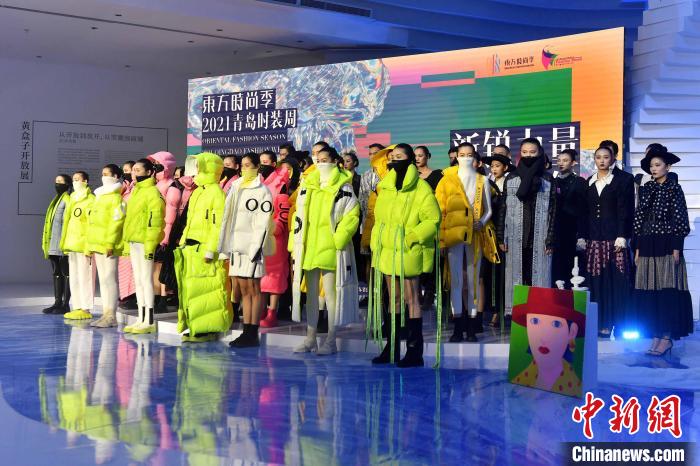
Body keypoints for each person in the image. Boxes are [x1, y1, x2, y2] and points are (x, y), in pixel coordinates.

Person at [370, 143, 440, 367]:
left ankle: (414, 351)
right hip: (388, 252)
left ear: (410, 160)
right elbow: (379, 220)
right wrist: (377, 242)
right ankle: (391, 348)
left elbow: (432, 220)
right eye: (392, 157)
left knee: (412, 300)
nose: (393, 161)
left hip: (409, 251)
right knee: (394, 299)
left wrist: (412, 237)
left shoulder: (421, 189)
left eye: (399, 157)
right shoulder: (385, 188)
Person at [290, 146, 360, 355]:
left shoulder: (343, 187)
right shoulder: (308, 185)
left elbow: (352, 215)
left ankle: (331, 340)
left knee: (331, 296)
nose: (320, 163)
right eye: (317, 159)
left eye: (324, 159)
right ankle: (310, 338)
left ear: (335, 161)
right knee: (311, 296)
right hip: (310, 247)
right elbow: (298, 216)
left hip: (331, 249)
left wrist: (338, 240)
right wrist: (295, 243)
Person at [436, 142, 498, 343]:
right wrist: (442, 241)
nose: (465, 158)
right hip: (454, 235)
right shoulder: (446, 181)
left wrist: (482, 222)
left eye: (469, 154)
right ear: (456, 156)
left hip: (475, 234)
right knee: (456, 281)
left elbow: (488, 210)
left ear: (475, 157)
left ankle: (472, 326)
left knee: (472, 281)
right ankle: (458, 325)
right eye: (461, 154)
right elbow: (440, 211)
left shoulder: (482, 180)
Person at [634, 149, 692, 356]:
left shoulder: (674, 188)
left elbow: (680, 219)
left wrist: (677, 247)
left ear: (668, 167)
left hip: (667, 243)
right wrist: (637, 247)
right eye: (651, 165)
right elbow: (639, 218)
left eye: (658, 165)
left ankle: (666, 338)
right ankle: (656, 335)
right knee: (650, 291)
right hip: (647, 244)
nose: (654, 168)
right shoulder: (647, 188)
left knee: (667, 291)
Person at [218, 152, 274, 348]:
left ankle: (252, 332)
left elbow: (263, 223)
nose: (244, 169)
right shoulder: (235, 186)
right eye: (242, 165)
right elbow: (227, 219)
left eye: (248, 165)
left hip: (252, 247)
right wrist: (225, 246)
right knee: (242, 289)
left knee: (253, 289)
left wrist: (256, 247)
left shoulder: (263, 191)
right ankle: (246, 330)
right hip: (236, 247)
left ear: (257, 167)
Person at [496, 138, 557, 317]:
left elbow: (553, 211)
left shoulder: (547, 179)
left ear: (540, 153)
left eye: (532, 152)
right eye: (525, 152)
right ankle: (519, 316)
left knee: (538, 275)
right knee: (517, 275)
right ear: (520, 154)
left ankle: (539, 315)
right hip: (516, 235)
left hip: (540, 237)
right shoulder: (511, 178)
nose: (528, 155)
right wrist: (501, 236)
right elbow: (503, 209)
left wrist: (550, 238)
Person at [174, 152, 231, 342]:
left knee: (209, 291)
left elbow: (218, 225)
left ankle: (207, 329)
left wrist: (211, 249)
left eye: (199, 166)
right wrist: (183, 241)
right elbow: (190, 220)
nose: (195, 170)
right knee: (193, 291)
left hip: (205, 248)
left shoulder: (216, 193)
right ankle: (195, 326)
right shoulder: (199, 191)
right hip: (191, 247)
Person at [577, 146, 632, 338]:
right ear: (594, 159)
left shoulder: (619, 182)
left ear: (612, 159)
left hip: (613, 240)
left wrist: (622, 235)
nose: (602, 161)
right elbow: (583, 213)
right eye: (598, 157)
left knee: (615, 281)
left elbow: (624, 211)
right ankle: (602, 323)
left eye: (606, 157)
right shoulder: (588, 183)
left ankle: (620, 324)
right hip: (594, 240)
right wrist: (582, 236)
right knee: (597, 282)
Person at [511, 287, 583, 397]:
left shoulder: (573, 388)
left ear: (572, 332)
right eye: (535, 321)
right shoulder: (521, 381)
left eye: (556, 324)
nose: (543, 337)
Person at [122, 158, 166, 334]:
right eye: (133, 170)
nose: (134, 173)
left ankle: (149, 320)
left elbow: (155, 222)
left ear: (149, 172)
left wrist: (150, 245)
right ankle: (140, 318)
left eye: (138, 170)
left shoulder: (153, 193)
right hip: (134, 241)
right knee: (138, 280)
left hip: (145, 242)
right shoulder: (136, 192)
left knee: (146, 280)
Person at [86, 164, 126, 328]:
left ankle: (111, 315)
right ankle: (105, 313)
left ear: (115, 176)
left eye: (107, 174)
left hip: (109, 244)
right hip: (97, 243)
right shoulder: (99, 196)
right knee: (103, 280)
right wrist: (90, 245)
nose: (103, 177)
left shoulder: (116, 198)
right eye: (102, 174)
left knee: (110, 278)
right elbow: (92, 223)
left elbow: (116, 223)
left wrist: (110, 243)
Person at [259, 150, 292, 328]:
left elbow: (283, 211)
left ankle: (272, 311)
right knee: (262, 273)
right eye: (260, 162)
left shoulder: (281, 185)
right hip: (259, 235)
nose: (262, 165)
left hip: (275, 237)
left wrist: (275, 228)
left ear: (273, 164)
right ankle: (262, 310)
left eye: (265, 162)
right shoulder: (258, 183)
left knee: (275, 274)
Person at [147, 151, 182, 315]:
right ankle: (155, 297)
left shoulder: (172, 187)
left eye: (158, 165)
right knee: (154, 266)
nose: (155, 168)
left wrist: (166, 236)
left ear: (167, 167)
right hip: (154, 231)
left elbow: (171, 214)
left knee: (161, 266)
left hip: (165, 233)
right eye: (154, 165)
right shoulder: (156, 185)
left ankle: (162, 298)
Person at [480, 152, 513, 327]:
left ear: (505, 168)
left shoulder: (509, 184)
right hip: (486, 233)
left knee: (501, 275)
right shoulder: (485, 182)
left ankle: (500, 311)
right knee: (486, 274)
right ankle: (488, 310)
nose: (494, 169)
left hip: (503, 233)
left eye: (497, 166)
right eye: (492, 166)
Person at [60, 171, 96, 320]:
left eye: (78, 179)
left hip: (84, 245)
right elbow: (67, 223)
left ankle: (85, 308)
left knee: (85, 277)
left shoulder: (91, 200)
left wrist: (89, 246)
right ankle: (77, 306)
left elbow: (92, 225)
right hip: (72, 244)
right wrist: (64, 243)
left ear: (85, 181)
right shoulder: (72, 198)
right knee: (74, 277)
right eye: (73, 179)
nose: (75, 182)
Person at [551, 149, 587, 287]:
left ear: (573, 163)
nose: (561, 163)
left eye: (565, 160)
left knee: (572, 268)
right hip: (556, 231)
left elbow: (583, 210)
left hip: (572, 231)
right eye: (559, 160)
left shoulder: (579, 182)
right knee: (556, 267)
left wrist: (582, 235)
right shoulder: (553, 182)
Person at [414, 146, 443, 311]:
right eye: (415, 156)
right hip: (415, 223)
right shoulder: (412, 177)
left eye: (421, 155)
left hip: (432, 222)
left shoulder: (437, 175)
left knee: (431, 260)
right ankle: (416, 294)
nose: (417, 158)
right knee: (416, 259)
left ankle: (430, 294)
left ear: (428, 156)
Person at [42, 174, 72, 314]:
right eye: (56, 181)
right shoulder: (56, 200)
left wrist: (65, 243)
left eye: (60, 181)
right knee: (56, 273)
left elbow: (68, 224)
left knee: (66, 273)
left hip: (62, 244)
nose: (57, 184)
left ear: (67, 184)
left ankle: (65, 304)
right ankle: (57, 302)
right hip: (53, 244)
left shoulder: (67, 199)